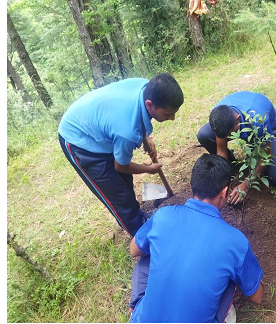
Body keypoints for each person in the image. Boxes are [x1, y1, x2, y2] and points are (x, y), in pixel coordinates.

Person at [129, 154, 264, 322]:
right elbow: (257, 297)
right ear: (224, 192)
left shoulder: (163, 215)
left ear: (191, 187)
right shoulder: (235, 242)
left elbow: (134, 249)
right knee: (231, 279)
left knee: (145, 258)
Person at [58, 73, 183, 236]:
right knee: (117, 194)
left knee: (125, 183)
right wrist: (148, 169)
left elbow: (136, 115)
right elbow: (121, 166)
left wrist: (146, 137)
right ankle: (141, 232)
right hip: (79, 138)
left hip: (104, 125)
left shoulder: (146, 87)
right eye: (167, 114)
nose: (172, 118)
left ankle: (137, 216)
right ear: (150, 104)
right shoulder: (127, 132)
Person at [197, 91, 276, 206]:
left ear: (238, 120)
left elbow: (266, 157)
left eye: (229, 134)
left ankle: (267, 141)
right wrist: (224, 180)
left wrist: (246, 184)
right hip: (240, 113)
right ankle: (232, 164)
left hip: (264, 130)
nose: (228, 139)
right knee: (204, 134)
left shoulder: (257, 122)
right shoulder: (218, 116)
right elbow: (221, 149)